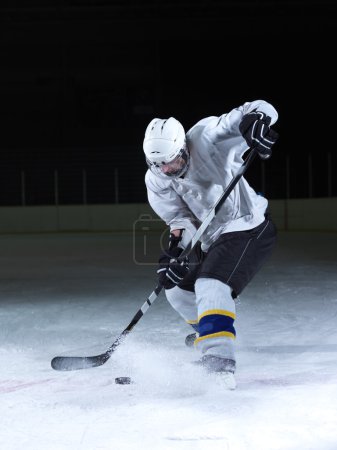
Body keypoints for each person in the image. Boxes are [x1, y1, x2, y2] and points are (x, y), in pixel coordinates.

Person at [142, 100, 279, 389]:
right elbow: (181, 222)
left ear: (184, 147)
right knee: (177, 291)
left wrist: (256, 120)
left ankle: (218, 364)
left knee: (210, 284)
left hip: (248, 225)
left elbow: (257, 109)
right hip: (212, 238)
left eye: (172, 160)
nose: (167, 169)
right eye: (159, 164)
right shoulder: (157, 179)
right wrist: (175, 253)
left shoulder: (207, 136)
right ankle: (210, 331)